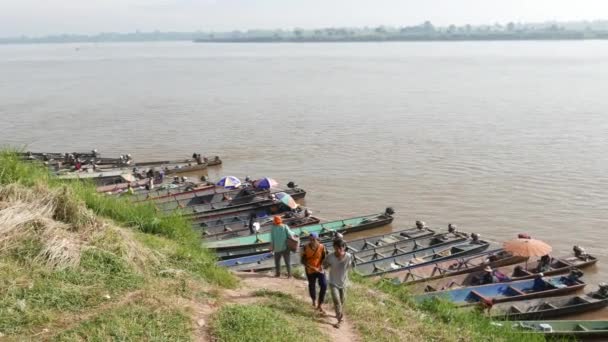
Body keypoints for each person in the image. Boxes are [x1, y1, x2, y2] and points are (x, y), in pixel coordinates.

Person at [323, 239, 354, 327]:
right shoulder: (330, 257)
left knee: (342, 300)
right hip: (333, 282)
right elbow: (324, 265)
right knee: (337, 300)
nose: (338, 250)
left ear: (344, 248)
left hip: (343, 282)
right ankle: (340, 320)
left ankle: (339, 313)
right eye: (336, 248)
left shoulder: (348, 256)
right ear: (334, 248)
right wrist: (325, 266)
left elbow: (350, 266)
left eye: (341, 248)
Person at [301, 232, 328, 314]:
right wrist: (309, 266)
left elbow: (325, 258)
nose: (311, 241)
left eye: (313, 239)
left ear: (317, 239)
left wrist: (322, 266)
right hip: (310, 269)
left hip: (319, 269)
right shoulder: (305, 247)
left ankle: (320, 304)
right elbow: (302, 260)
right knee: (312, 285)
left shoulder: (322, 247)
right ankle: (313, 300)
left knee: (324, 285)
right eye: (310, 239)